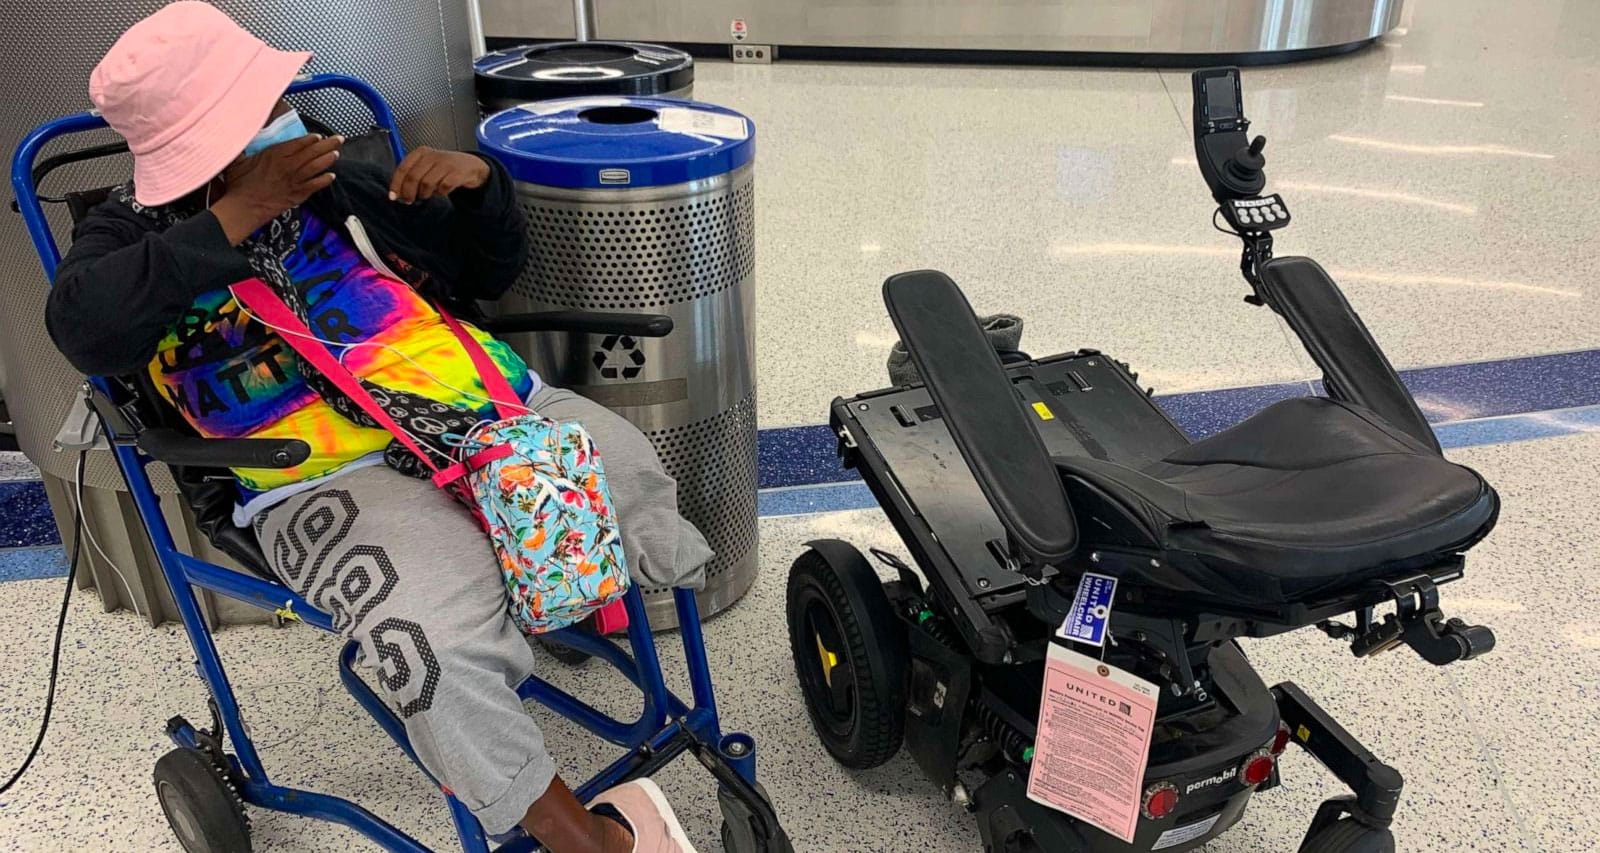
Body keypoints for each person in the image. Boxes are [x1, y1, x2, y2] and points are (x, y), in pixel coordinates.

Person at [46, 5, 712, 852]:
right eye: (257, 107)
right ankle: (587, 839)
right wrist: (237, 215)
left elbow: (485, 271)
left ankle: (591, 631)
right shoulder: (125, 233)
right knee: (433, 644)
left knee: (628, 473)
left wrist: (479, 188)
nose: (286, 117)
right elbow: (83, 326)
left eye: (274, 97)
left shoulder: (336, 187)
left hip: (481, 408)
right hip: (319, 473)